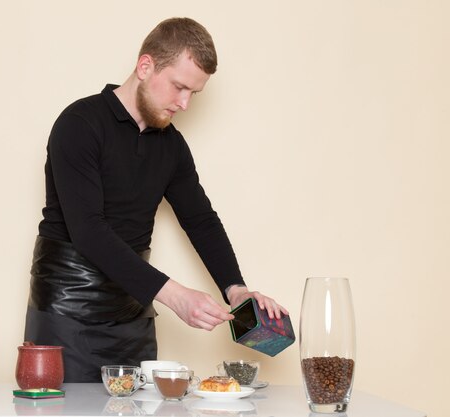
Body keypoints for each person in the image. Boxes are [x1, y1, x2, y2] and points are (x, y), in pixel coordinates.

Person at [24, 17, 288, 382]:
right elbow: (88, 231)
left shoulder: (172, 145)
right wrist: (175, 295)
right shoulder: (79, 124)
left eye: (193, 94)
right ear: (145, 66)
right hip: (66, 313)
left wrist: (236, 290)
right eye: (179, 87)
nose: (184, 104)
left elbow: (200, 219)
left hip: (134, 315)